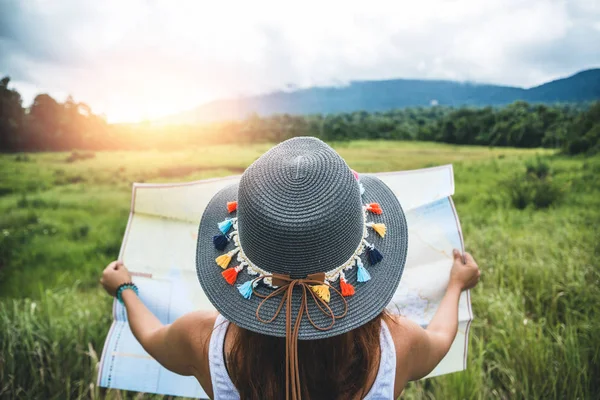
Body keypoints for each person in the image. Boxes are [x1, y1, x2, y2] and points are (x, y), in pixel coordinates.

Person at [101, 137, 480, 400]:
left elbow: (151, 337)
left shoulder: (201, 339)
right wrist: (455, 286)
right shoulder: (399, 344)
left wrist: (125, 290)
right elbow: (442, 336)